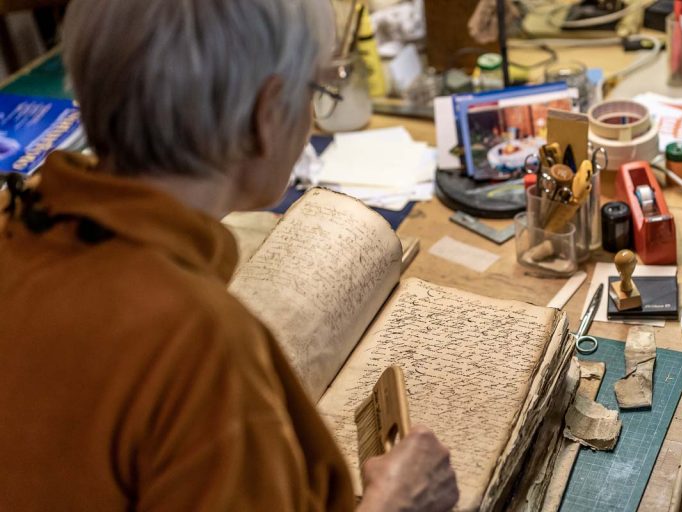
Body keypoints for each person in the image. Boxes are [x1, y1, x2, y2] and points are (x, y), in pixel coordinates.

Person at [0, 0, 459, 510]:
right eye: (315, 92)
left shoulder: (20, 214)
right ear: (268, 114)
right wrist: (396, 502)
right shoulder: (198, 346)